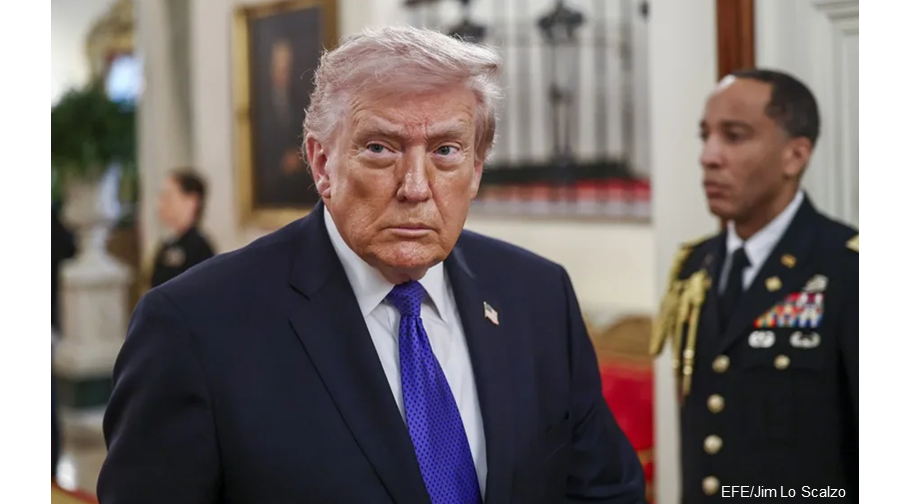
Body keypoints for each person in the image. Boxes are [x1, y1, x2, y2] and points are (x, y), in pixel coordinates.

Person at [98, 26, 646, 504]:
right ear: (322, 163)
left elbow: (604, 492)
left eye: (446, 151)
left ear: (477, 169)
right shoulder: (195, 326)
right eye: (381, 148)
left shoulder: (538, 295)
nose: (415, 188)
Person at [651, 69, 858, 502]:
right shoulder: (696, 266)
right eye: (705, 136)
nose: (708, 156)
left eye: (734, 136)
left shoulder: (848, 268)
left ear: (794, 156)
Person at [149, 169, 215, 288]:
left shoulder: (199, 248)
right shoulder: (167, 244)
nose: (161, 204)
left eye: (168, 197)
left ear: (191, 201)